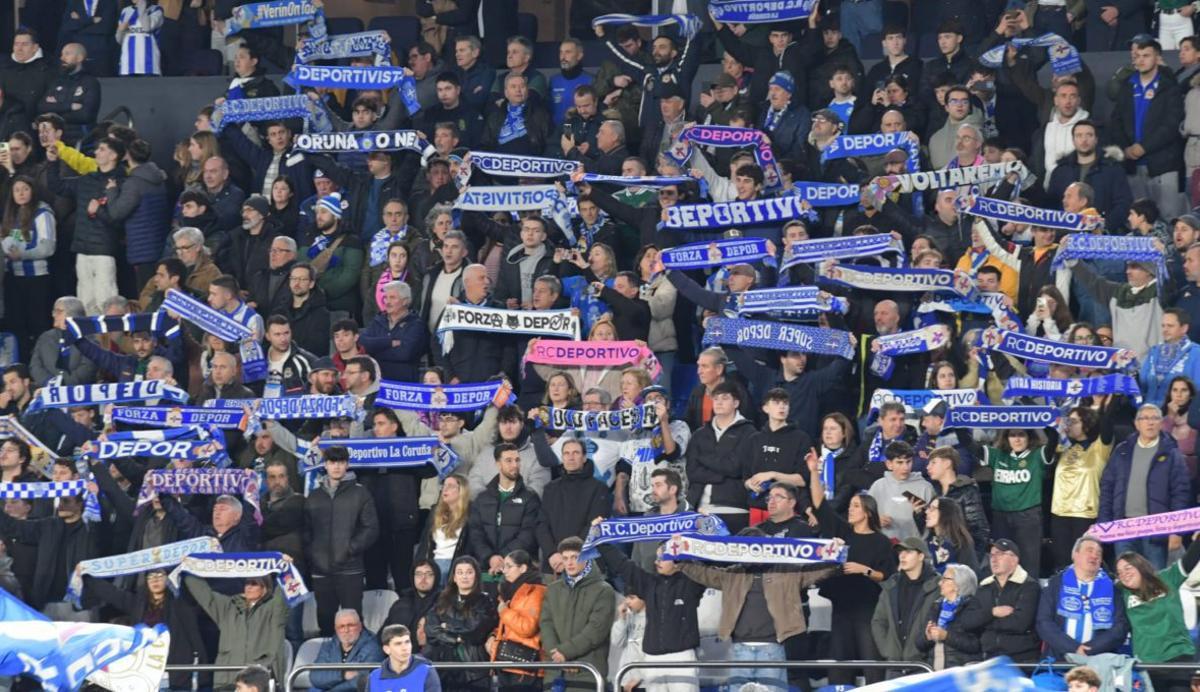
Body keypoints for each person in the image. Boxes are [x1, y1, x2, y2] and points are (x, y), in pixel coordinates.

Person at [807, 449, 896, 685]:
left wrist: (863, 570)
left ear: (868, 512)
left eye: (856, 506)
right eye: (851, 505)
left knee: (871, 663)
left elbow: (885, 574)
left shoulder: (881, 541)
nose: (850, 509)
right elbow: (819, 504)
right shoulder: (842, 532)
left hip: (867, 610)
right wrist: (813, 472)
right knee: (839, 665)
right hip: (841, 608)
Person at [78, 567, 208, 690]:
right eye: (150, 576)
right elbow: (112, 593)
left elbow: (195, 638)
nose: (155, 580)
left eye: (160, 575)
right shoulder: (138, 604)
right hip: (145, 675)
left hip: (175, 676)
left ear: (168, 578)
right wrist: (86, 575)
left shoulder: (181, 605)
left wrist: (204, 681)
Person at [1098, 403, 1190, 568]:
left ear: (1161, 423)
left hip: (1156, 530)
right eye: (1145, 418)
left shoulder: (1171, 453)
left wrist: (1177, 530)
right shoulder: (1122, 451)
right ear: (1137, 423)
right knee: (1126, 579)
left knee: (1156, 583)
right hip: (1124, 528)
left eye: (1155, 418)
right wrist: (1104, 524)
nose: (1150, 422)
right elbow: (1107, 488)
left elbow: (1181, 493)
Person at [303, 445, 380, 637]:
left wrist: (350, 548)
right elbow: (305, 531)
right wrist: (313, 554)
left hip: (350, 568)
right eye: (332, 462)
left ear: (347, 465)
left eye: (341, 462)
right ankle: (328, 664)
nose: (336, 467)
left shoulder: (360, 493)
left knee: (353, 622)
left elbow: (371, 528)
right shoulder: (314, 496)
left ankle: (357, 663)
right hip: (320, 570)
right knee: (326, 622)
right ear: (325, 465)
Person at [184, 573, 291, 689]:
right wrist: (189, 568)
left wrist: (287, 570)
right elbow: (203, 593)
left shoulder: (273, 610)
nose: (248, 587)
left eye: (254, 583)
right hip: (226, 682)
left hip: (257, 683)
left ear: (265, 588)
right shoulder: (229, 606)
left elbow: (284, 595)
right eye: (247, 583)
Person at [539, 537, 616, 691]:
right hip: (555, 671)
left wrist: (566, 653)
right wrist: (557, 654)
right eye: (565, 558)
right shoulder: (553, 589)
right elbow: (545, 624)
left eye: (575, 557)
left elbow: (596, 630)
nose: (569, 563)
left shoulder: (603, 590)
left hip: (586, 671)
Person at [1036, 535, 1130, 659]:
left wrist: (1089, 649)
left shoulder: (1112, 586)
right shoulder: (1055, 584)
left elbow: (1120, 628)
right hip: (1059, 660)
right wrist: (1073, 648)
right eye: (1089, 550)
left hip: (1099, 660)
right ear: (1075, 554)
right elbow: (1044, 622)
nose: (1094, 556)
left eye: (1098, 553)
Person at [685, 381, 757, 534]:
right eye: (716, 398)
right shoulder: (700, 434)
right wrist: (721, 475)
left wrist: (704, 458)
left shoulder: (748, 432)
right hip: (701, 510)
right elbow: (692, 471)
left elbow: (735, 467)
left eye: (724, 398)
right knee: (704, 556)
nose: (718, 402)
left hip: (735, 509)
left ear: (736, 402)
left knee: (730, 555)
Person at [421, 556, 497, 691]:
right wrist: (455, 638)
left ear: (476, 576)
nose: (464, 576)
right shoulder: (441, 600)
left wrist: (446, 626)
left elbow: (475, 630)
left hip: (474, 670)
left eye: (469, 572)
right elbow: (431, 629)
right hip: (445, 668)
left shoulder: (484, 601)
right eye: (460, 572)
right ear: (454, 577)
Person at [872, 538, 941, 672]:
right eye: (900, 552)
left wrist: (926, 651)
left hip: (924, 665)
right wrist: (887, 650)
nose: (902, 556)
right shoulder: (891, 586)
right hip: (894, 665)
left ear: (921, 556)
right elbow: (879, 621)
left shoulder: (937, 586)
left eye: (908, 552)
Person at [484, 549, 545, 692]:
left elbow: (527, 627)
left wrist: (504, 611)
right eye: (503, 566)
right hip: (507, 664)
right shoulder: (510, 591)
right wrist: (493, 637)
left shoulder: (536, 591)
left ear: (523, 568)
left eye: (509, 566)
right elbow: (506, 627)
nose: (504, 571)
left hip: (526, 668)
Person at [977, 539, 1041, 662]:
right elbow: (969, 620)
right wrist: (992, 613)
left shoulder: (1029, 586)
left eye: (1000, 554)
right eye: (992, 555)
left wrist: (985, 622)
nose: (994, 559)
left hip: (1021, 658)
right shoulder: (984, 587)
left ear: (1014, 559)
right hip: (988, 657)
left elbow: (1019, 624)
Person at [914, 562, 987, 670]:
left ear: (958, 585)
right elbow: (919, 644)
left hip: (961, 674)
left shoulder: (972, 607)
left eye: (945, 579)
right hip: (933, 672)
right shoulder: (936, 607)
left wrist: (946, 636)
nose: (940, 583)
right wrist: (928, 637)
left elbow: (975, 644)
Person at [869, 441, 935, 542]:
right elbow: (866, 516)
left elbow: (935, 522)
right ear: (889, 464)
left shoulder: (925, 487)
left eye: (908, 461)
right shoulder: (878, 486)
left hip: (915, 548)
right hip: (885, 546)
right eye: (899, 462)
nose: (905, 467)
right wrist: (876, 521)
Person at [311, 609, 384, 692]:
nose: (346, 630)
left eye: (350, 625)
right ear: (336, 629)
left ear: (360, 626)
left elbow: (361, 681)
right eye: (341, 626)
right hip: (331, 688)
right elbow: (315, 677)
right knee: (315, 689)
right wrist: (343, 675)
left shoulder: (373, 647)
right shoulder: (328, 646)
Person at [416, 473, 471, 579]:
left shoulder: (471, 513)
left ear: (462, 490)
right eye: (444, 485)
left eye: (450, 486)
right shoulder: (435, 512)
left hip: (456, 565)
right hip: (434, 564)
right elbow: (425, 544)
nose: (445, 489)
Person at [361, 624, 442, 692]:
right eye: (398, 644)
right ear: (387, 649)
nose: (405, 648)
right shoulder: (374, 678)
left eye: (407, 642)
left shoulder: (426, 672)